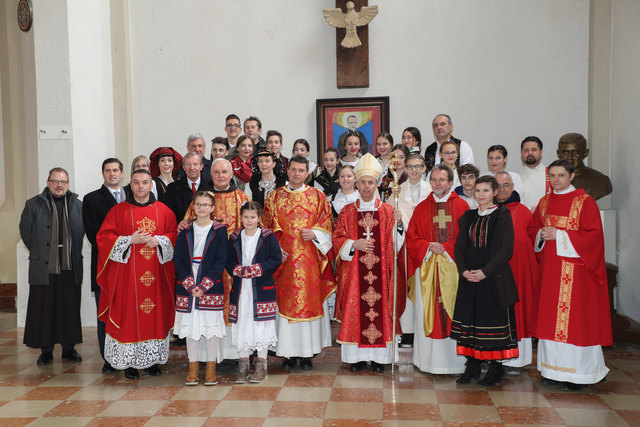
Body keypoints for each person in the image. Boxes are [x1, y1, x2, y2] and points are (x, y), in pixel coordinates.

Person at [529, 159, 612, 391]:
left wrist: (561, 235)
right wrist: (541, 235)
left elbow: (594, 238)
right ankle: (552, 371)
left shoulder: (585, 203)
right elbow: (533, 229)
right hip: (550, 274)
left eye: (561, 175)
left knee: (577, 324)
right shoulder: (544, 202)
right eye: (552, 176)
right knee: (550, 323)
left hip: (577, 276)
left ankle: (581, 375)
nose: (556, 180)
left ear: (572, 176)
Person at [96, 169, 177, 380]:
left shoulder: (165, 211)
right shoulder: (118, 211)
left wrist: (161, 241)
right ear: (129, 185)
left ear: (152, 185)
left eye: (145, 182)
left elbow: (174, 235)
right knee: (128, 316)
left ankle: (152, 362)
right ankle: (129, 363)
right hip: (126, 278)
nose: (141, 186)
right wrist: (128, 240)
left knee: (155, 316)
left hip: (156, 276)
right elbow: (104, 238)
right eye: (136, 182)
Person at [262, 156, 335, 371]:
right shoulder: (274, 197)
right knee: (284, 304)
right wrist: (275, 251)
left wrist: (316, 233)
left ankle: (307, 355)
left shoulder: (318, 197)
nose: (296, 174)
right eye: (293, 169)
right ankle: (286, 354)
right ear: (288, 171)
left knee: (309, 303)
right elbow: (267, 228)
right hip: (284, 261)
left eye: (301, 170)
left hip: (310, 261)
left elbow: (328, 224)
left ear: (307, 173)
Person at [333, 153, 404, 372]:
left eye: (370, 182)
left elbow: (397, 244)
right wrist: (354, 244)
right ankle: (356, 359)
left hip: (380, 274)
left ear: (376, 184)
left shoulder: (388, 211)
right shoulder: (347, 211)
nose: (366, 186)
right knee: (356, 311)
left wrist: (399, 225)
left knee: (380, 312)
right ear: (356, 182)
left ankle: (380, 359)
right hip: (355, 274)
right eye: (362, 182)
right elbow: (337, 238)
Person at [451, 175, 518, 387]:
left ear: (495, 192)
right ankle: (471, 366)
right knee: (471, 322)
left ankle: (495, 368)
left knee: (490, 323)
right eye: (478, 191)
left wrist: (484, 271)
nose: (481, 195)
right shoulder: (468, 216)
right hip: (470, 277)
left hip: (492, 278)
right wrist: (463, 271)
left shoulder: (502, 214)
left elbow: (506, 249)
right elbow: (460, 247)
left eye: (486, 191)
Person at [406, 164, 469, 374]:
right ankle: (427, 362)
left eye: (442, 180)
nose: (437, 183)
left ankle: (457, 363)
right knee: (427, 312)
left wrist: (447, 247)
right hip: (427, 269)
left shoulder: (462, 207)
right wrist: (427, 247)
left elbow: (468, 238)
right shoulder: (422, 207)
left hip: (453, 271)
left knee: (453, 312)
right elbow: (411, 237)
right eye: (434, 180)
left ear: (451, 183)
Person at [20, 167, 84, 366]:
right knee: (44, 309)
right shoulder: (33, 204)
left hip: (69, 266)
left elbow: (81, 232)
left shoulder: (77, 205)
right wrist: (42, 252)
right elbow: (26, 232)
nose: (59, 185)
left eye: (63, 182)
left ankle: (68, 348)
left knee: (68, 308)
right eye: (55, 181)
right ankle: (46, 350)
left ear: (68, 185)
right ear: (48, 183)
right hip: (44, 267)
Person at [173, 191, 228, 386]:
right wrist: (188, 283)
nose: (202, 208)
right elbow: (178, 258)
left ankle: (211, 366)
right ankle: (193, 366)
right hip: (187, 284)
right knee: (191, 328)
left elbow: (221, 259)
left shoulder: (220, 230)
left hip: (210, 284)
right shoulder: (186, 230)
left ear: (212, 208)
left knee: (210, 327)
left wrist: (204, 285)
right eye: (198, 205)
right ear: (193, 207)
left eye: (206, 205)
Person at [227, 202, 282, 383]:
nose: (248, 221)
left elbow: (275, 259)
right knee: (243, 324)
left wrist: (257, 269)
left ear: (259, 218)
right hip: (241, 290)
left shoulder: (268, 237)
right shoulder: (234, 237)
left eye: (252, 217)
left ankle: (261, 366)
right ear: (241, 218)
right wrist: (237, 269)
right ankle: (243, 365)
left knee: (261, 326)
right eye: (245, 217)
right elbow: (228, 260)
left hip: (261, 288)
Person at [82, 158, 126, 373]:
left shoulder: (134, 194)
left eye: (115, 170)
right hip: (105, 265)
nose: (112, 174)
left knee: (129, 312)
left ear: (122, 172)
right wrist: (127, 243)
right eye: (108, 171)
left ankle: (131, 355)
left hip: (132, 267)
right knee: (106, 312)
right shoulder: (92, 199)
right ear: (103, 173)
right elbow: (94, 234)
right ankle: (109, 359)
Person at [495, 171, 538, 375]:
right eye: (498, 186)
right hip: (493, 274)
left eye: (506, 185)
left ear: (513, 187)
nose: (502, 190)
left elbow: (532, 243)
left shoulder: (523, 212)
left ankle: (515, 361)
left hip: (517, 272)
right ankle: (494, 358)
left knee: (517, 313)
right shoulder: (487, 210)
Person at [387, 154, 432, 347]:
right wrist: (396, 223)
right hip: (404, 246)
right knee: (404, 287)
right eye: (410, 167)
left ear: (424, 169)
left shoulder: (431, 191)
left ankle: (424, 328)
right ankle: (407, 331)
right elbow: (388, 222)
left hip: (424, 247)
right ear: (405, 169)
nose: (414, 170)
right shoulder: (396, 192)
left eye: (418, 167)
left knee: (424, 289)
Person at [556, 133, 612, 200]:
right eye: (565, 153)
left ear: (585, 153)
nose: (570, 157)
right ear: (559, 154)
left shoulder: (601, 181)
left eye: (575, 153)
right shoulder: (549, 180)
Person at [162, 152, 209, 223]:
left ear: (201, 166)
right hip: (181, 230)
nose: (192, 168)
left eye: (195, 164)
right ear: (183, 167)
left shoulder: (210, 186)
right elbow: (169, 215)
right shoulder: (172, 188)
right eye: (188, 164)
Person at [519, 136, 550, 211]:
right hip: (522, 218)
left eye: (534, 150)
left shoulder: (551, 174)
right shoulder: (515, 176)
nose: (530, 153)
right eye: (526, 150)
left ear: (541, 152)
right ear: (521, 153)